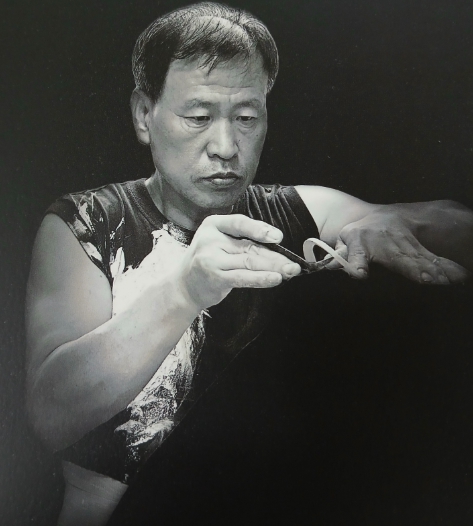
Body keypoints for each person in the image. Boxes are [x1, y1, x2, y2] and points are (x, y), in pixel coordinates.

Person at [25, 3, 473, 525]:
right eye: (198, 117)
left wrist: (389, 221)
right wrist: (184, 291)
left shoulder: (294, 210)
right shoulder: (86, 224)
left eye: (246, 118)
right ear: (144, 115)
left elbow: (455, 223)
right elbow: (49, 417)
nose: (225, 147)